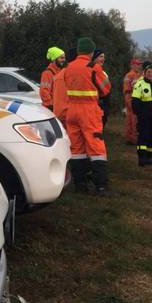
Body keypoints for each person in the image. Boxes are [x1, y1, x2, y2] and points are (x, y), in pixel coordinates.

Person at [64, 37, 111, 195]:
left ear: (78, 51)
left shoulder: (68, 67)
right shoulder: (94, 67)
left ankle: (80, 185)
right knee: (96, 147)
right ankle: (101, 186)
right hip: (89, 110)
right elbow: (106, 89)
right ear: (91, 52)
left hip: (72, 110)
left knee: (77, 148)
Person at [132, 62, 152, 167]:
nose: (150, 74)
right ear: (145, 73)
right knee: (143, 135)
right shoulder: (139, 84)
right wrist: (138, 113)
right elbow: (135, 100)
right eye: (148, 72)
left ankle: (149, 157)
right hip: (144, 113)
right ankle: (142, 157)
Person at [52, 48, 77, 128]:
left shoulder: (59, 75)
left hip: (61, 114)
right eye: (61, 58)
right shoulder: (73, 75)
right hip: (67, 115)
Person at [40, 46, 66, 111]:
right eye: (61, 58)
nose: (64, 60)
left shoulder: (60, 71)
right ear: (54, 59)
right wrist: (51, 105)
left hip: (59, 107)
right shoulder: (47, 73)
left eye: (64, 58)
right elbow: (44, 92)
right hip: (51, 108)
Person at [123, 58, 143, 144]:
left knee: (131, 119)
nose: (139, 66)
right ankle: (133, 138)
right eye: (137, 64)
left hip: (130, 97)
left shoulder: (134, 75)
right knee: (133, 119)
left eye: (139, 64)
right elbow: (128, 89)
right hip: (131, 97)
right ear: (132, 65)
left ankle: (130, 138)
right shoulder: (131, 75)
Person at [93, 49, 111, 127]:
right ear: (95, 58)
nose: (103, 59)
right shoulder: (95, 69)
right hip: (99, 102)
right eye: (100, 56)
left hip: (103, 102)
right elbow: (107, 87)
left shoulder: (102, 72)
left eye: (103, 57)